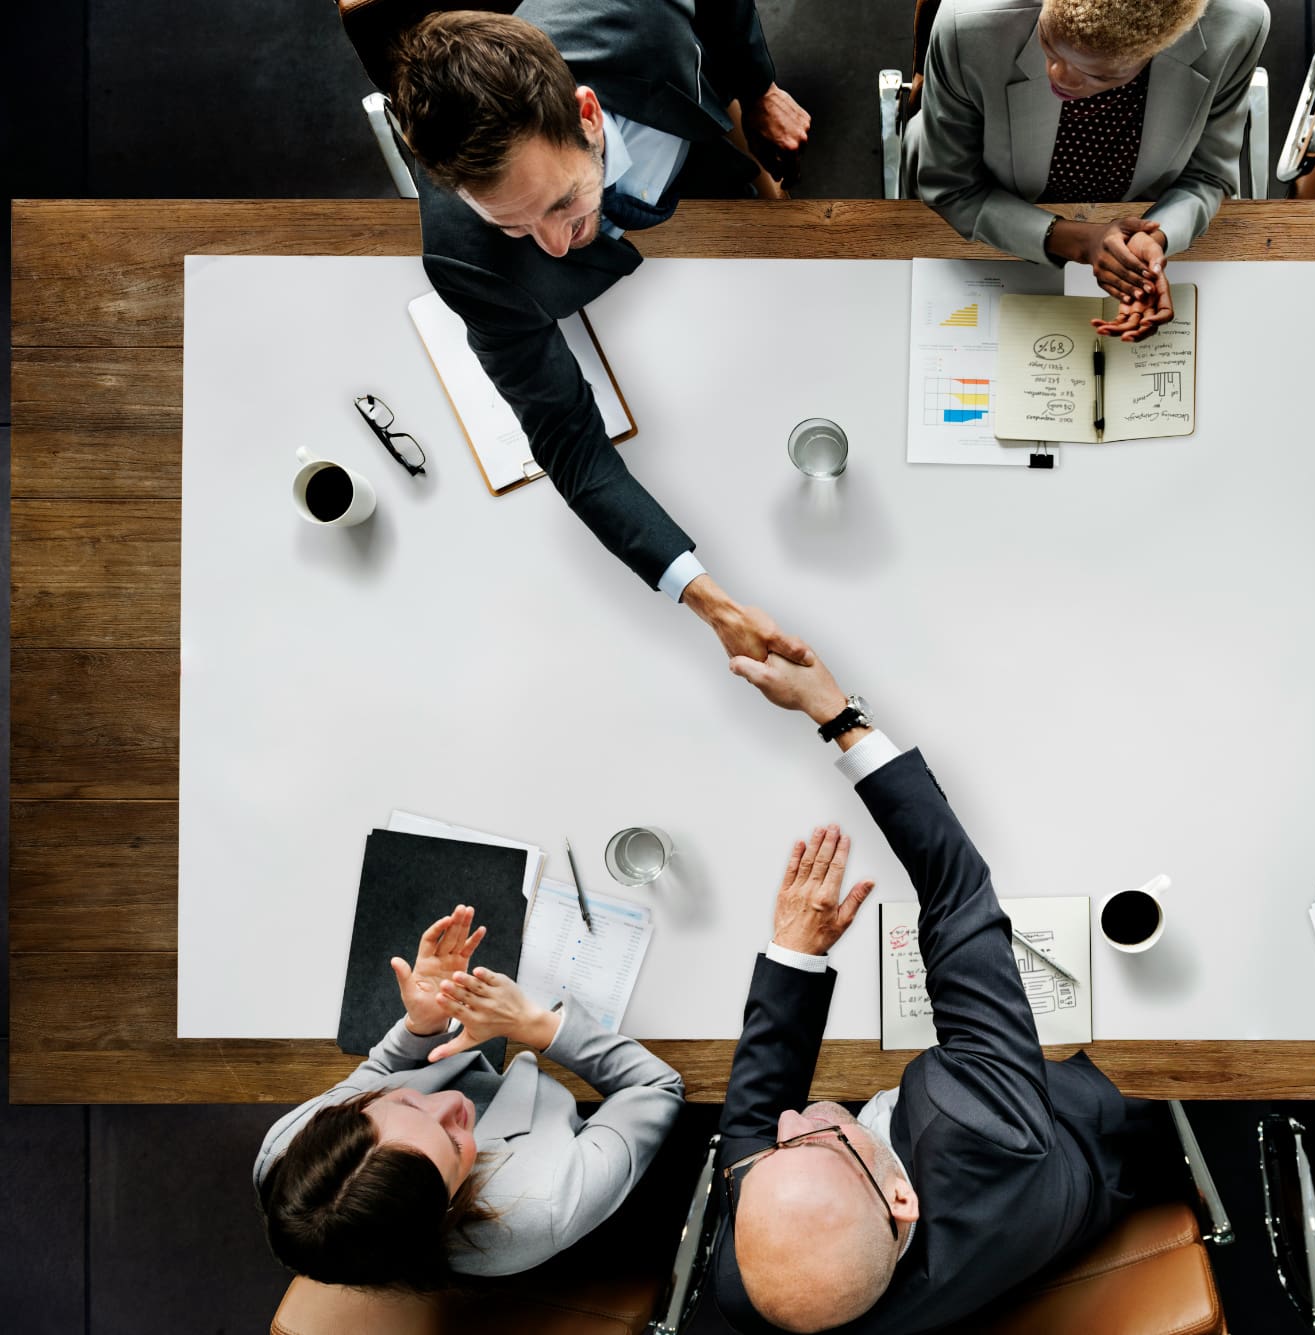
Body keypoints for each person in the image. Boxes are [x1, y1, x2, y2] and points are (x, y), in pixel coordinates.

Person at [706, 650, 1159, 1333]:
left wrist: (794, 952)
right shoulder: (981, 1131)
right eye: (807, 1144)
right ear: (900, 1195)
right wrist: (835, 712)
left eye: (776, 1152)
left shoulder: (764, 1287)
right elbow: (956, 891)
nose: (787, 1121)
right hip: (1072, 1137)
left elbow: (747, 1130)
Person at [387, 2, 812, 661]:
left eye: (561, 204)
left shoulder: (641, 18)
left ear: (587, 114)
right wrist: (713, 604)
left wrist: (756, 87)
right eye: (514, 227)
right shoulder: (463, 258)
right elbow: (567, 440)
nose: (555, 248)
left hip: (698, 146)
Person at [254, 905, 684, 1285]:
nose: (450, 1102)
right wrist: (537, 1028)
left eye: (405, 1101)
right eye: (452, 1143)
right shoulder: (542, 1204)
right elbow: (656, 1086)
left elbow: (381, 1071)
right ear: (445, 1205)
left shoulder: (286, 1146)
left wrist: (421, 1025)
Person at [909, 0, 1270, 340]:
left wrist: (1154, 240)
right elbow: (952, 186)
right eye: (1048, 42)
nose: (1059, 75)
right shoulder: (969, 24)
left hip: (1142, 210)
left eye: (1097, 74)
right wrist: (1082, 241)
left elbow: (1208, 175)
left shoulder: (1238, 26)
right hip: (991, 230)